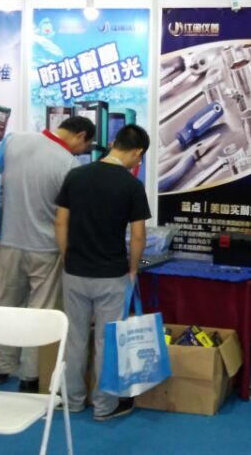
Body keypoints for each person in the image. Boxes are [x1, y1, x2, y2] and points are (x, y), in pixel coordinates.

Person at [0, 115, 95, 392]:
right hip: (47, 248)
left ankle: (1, 366)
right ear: (80, 136)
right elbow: (72, 214)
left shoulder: (13, 141)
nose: (82, 151)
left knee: (7, 304)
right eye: (85, 146)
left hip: (9, 242)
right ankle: (32, 375)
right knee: (42, 311)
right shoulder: (69, 165)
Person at [55, 124, 151, 421]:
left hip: (75, 271)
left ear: (114, 144)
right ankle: (104, 406)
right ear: (137, 152)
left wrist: (67, 257)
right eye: (140, 157)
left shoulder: (76, 175)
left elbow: (60, 222)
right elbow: (138, 236)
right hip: (112, 274)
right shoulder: (131, 186)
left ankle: (71, 401)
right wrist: (133, 269)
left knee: (74, 339)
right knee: (107, 343)